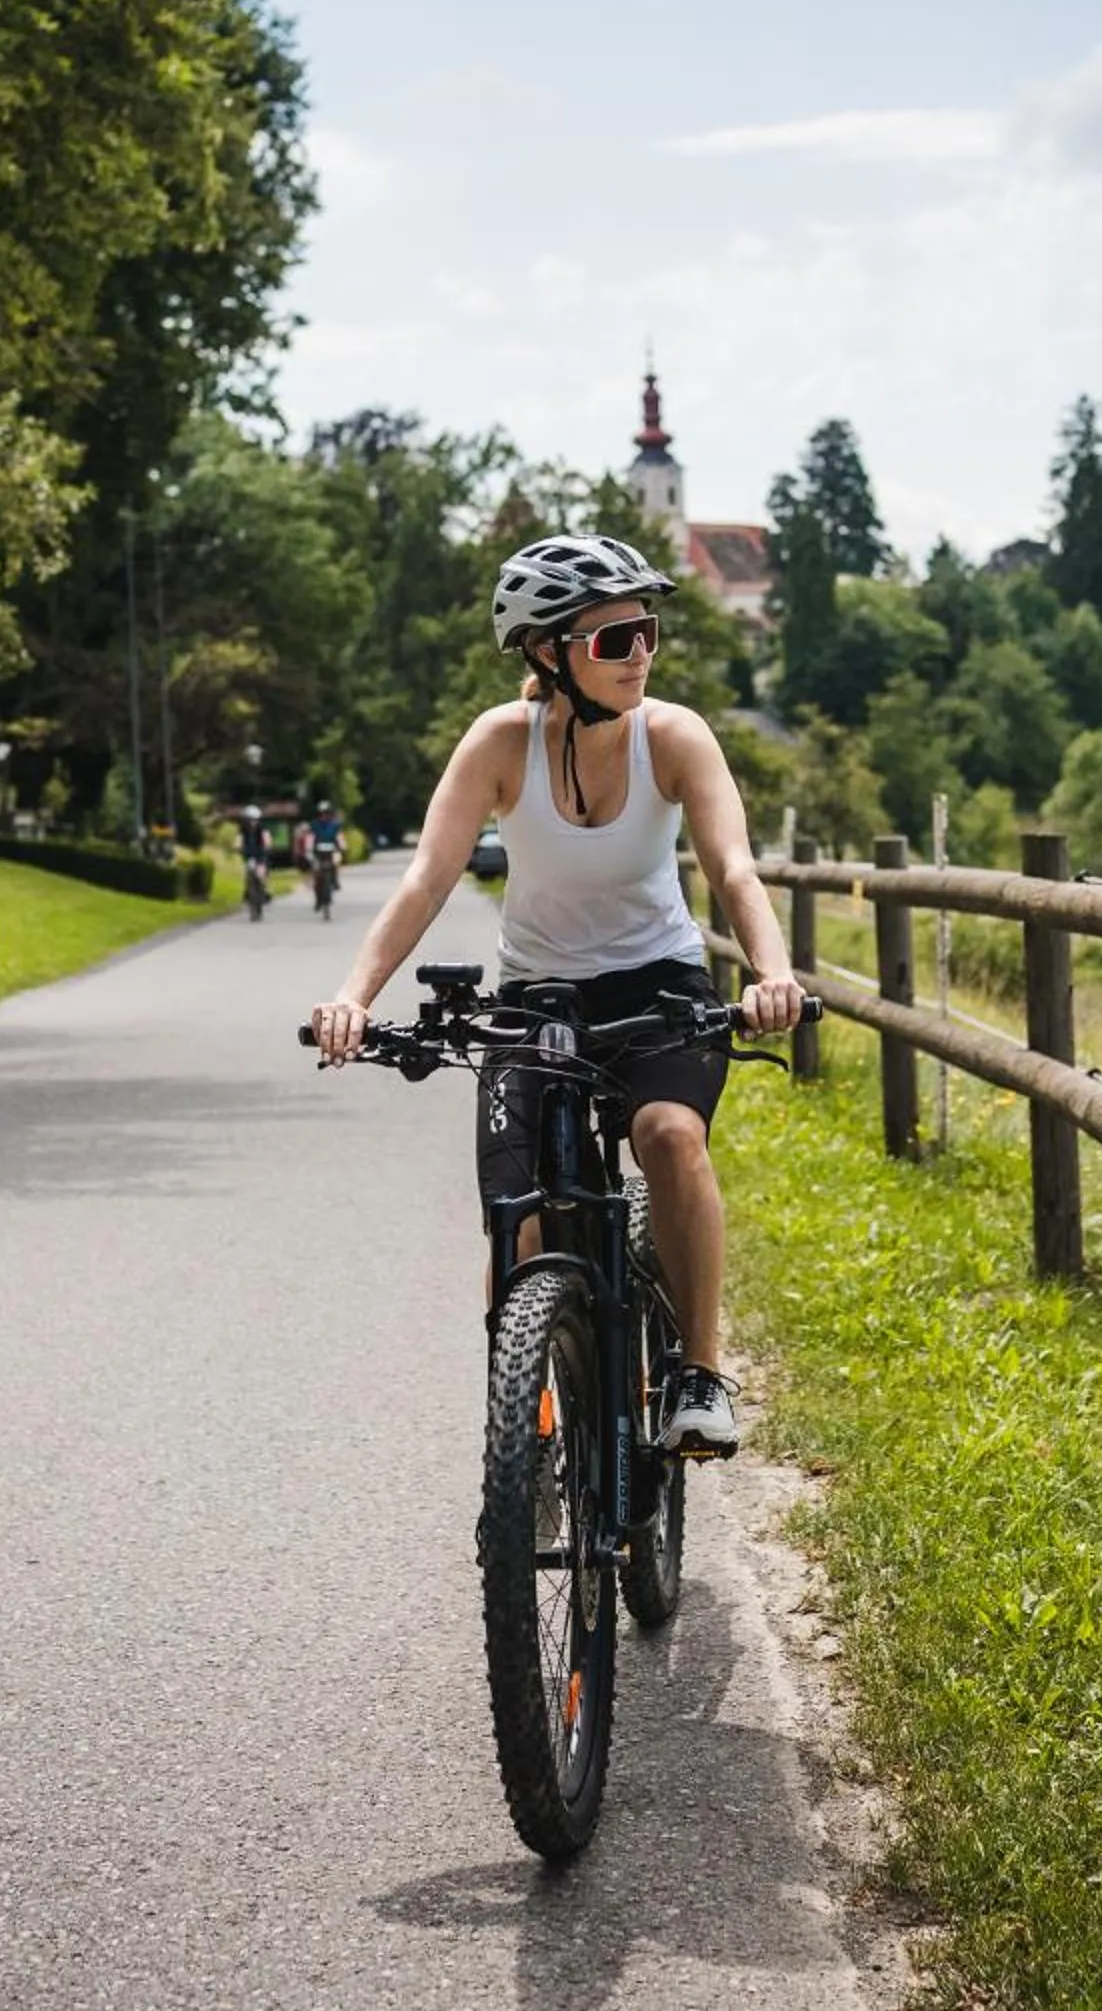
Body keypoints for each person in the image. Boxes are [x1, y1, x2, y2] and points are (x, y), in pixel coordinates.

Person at [311, 533, 803, 1457]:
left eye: (647, 632)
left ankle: (697, 1371)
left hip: (660, 987)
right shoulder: (500, 744)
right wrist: (353, 995)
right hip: (537, 1000)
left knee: (667, 1134)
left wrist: (773, 974)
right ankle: (525, 1411)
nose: (641, 654)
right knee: (519, 1220)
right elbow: (426, 878)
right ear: (549, 652)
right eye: (615, 640)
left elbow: (734, 869)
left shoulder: (675, 737)